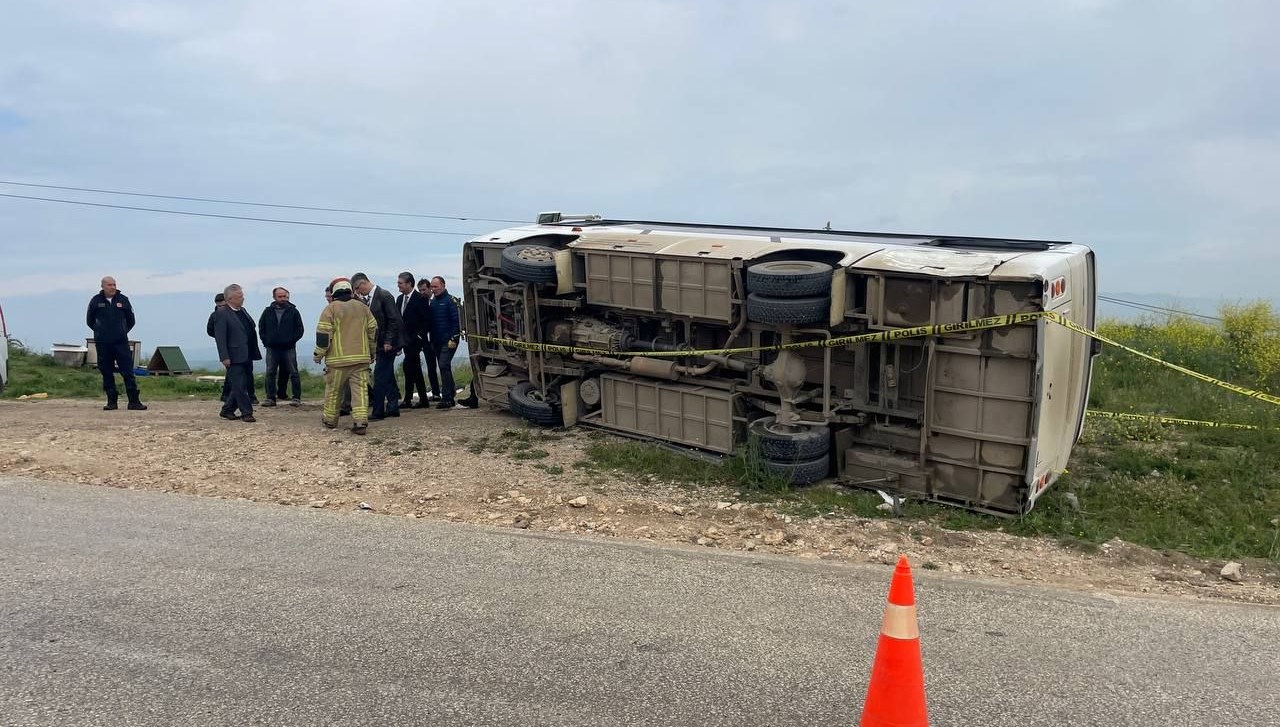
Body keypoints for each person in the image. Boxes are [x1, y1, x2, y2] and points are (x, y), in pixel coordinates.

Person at [314, 278, 378, 434]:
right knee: (360, 392)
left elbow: (323, 336)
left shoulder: (330, 309)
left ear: (334, 291)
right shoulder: (363, 308)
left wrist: (318, 355)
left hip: (337, 362)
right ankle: (360, 422)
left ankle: (330, 420)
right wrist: (372, 352)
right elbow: (373, 331)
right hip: (361, 360)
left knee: (334, 391)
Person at [86, 276, 146, 411]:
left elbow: (131, 320)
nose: (112, 287)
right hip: (103, 343)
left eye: (114, 285)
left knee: (128, 372)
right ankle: (112, 401)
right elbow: (90, 321)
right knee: (106, 372)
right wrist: (100, 332)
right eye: (109, 285)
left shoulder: (123, 300)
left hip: (121, 342)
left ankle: (134, 401)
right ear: (102, 286)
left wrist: (122, 331)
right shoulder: (95, 301)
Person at [351, 272, 403, 420]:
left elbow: (393, 320)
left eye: (357, 288)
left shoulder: (384, 296)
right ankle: (393, 407)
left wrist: (388, 341)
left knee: (380, 376)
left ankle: (378, 411)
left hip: (388, 344)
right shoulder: (367, 299)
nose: (357, 292)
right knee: (388, 375)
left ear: (362, 284)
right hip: (378, 343)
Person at [213, 284, 262, 423]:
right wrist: (224, 356)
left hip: (247, 353)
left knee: (243, 384)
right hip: (233, 355)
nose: (243, 298)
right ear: (230, 298)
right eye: (239, 296)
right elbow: (220, 337)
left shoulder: (243, 311)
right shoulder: (222, 314)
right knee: (239, 385)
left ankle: (227, 410)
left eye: (242, 295)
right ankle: (247, 413)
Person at [258, 286, 305, 407]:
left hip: (288, 347)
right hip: (272, 347)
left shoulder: (293, 311)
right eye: (280, 297)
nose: (283, 299)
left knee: (293, 372)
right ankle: (270, 398)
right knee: (270, 372)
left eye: (285, 296)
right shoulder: (267, 311)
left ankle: (296, 397)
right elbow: (261, 327)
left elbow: (300, 329)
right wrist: (266, 341)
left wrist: (291, 340)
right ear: (274, 297)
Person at [395, 271, 431, 408]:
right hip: (404, 341)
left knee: (411, 367)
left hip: (415, 341)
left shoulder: (420, 299)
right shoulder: (399, 299)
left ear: (409, 283)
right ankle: (416, 399)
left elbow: (427, 320)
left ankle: (415, 399)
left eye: (400, 283)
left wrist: (419, 336)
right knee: (411, 368)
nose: (398, 286)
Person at [428, 275, 461, 409]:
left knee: (443, 365)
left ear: (443, 286)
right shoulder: (433, 302)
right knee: (444, 368)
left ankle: (447, 398)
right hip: (436, 341)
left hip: (448, 341)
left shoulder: (450, 301)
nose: (433, 289)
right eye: (432, 286)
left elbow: (456, 321)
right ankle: (451, 393)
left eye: (436, 286)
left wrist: (453, 338)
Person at [417, 277, 442, 401]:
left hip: (437, 338)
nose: (423, 292)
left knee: (443, 365)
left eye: (424, 289)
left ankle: (449, 390)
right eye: (420, 290)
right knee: (431, 368)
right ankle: (436, 392)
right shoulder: (421, 302)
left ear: (430, 288)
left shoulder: (437, 301)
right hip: (426, 341)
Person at [207, 292, 232, 403]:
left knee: (233, 373)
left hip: (237, 345)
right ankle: (226, 394)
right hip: (225, 347)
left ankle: (228, 394)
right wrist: (220, 336)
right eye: (219, 305)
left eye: (223, 305)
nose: (221, 307)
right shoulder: (214, 315)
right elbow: (210, 330)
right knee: (231, 372)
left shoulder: (234, 313)